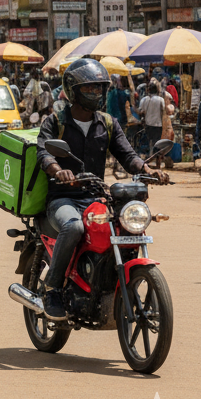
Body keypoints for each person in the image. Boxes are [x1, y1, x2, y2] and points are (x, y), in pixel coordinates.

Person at [35, 58, 168, 321]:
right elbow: (43, 153)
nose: (97, 93)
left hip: (96, 198)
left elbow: (127, 155)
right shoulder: (55, 121)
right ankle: (52, 289)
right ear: (73, 91)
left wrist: (147, 169)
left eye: (99, 88)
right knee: (74, 227)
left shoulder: (107, 123)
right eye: (90, 88)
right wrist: (57, 170)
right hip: (64, 198)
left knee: (124, 227)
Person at [136, 81, 165, 158]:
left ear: (148, 90)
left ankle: (147, 159)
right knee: (157, 143)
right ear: (157, 90)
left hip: (148, 124)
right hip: (158, 124)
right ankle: (157, 161)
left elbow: (140, 111)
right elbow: (163, 111)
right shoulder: (161, 100)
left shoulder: (144, 100)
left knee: (148, 143)